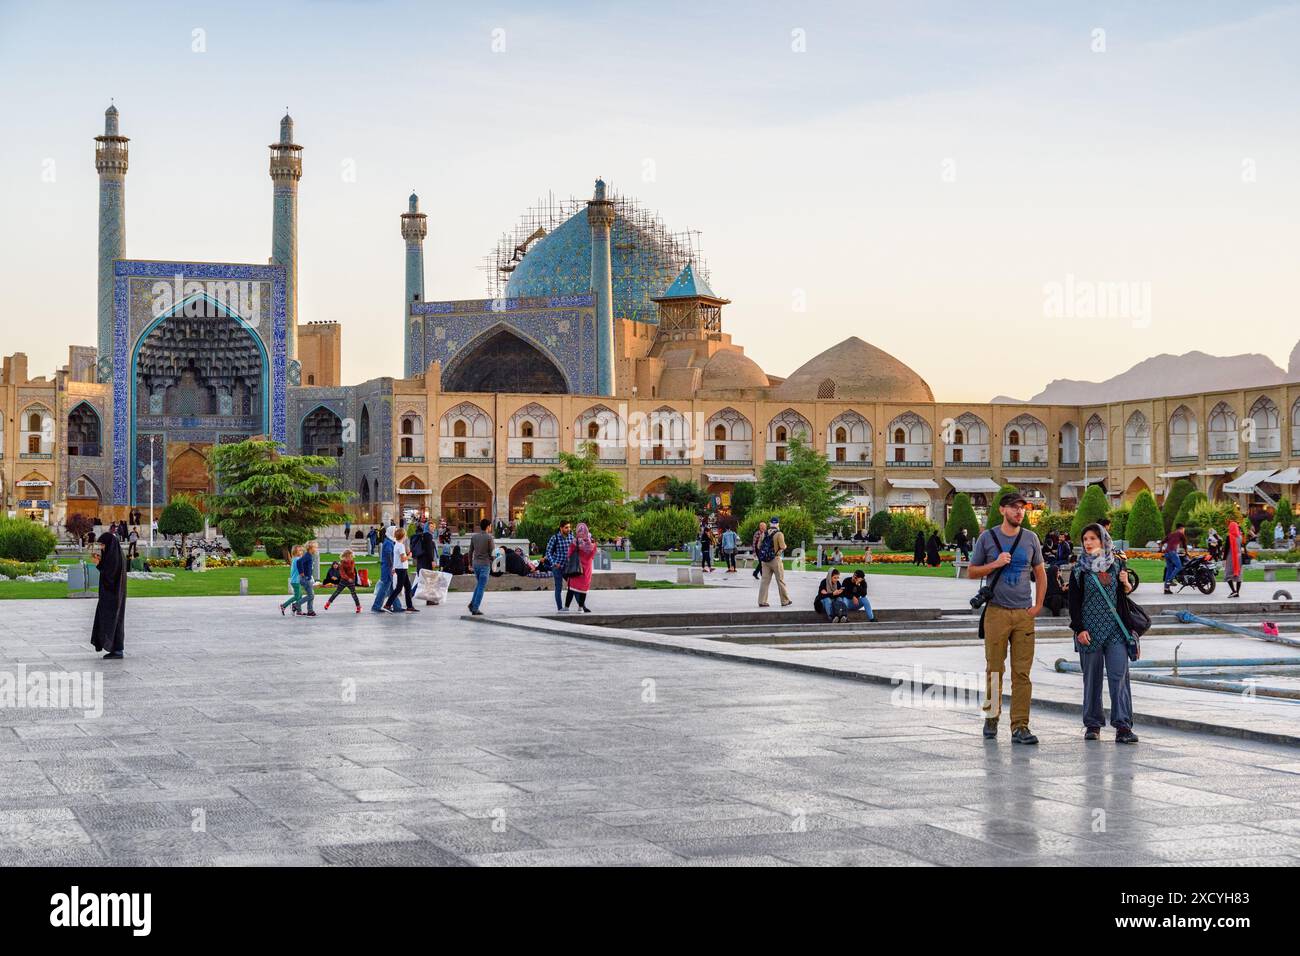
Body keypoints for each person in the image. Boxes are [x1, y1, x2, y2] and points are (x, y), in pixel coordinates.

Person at [969, 490, 1047, 745]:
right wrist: (995, 564)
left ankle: (1020, 726)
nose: (1019, 512)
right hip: (997, 612)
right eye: (1014, 507)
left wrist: (1038, 606)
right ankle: (992, 715)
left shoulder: (1030, 538)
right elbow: (971, 572)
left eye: (1022, 508)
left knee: (1022, 673)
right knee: (994, 668)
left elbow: (1040, 573)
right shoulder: (988, 538)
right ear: (1002, 510)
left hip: (1023, 613)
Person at [1069, 523, 1139, 744]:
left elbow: (1123, 597)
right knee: (1092, 680)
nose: (1088, 543)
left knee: (1119, 678)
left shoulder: (1117, 565)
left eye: (1092, 538)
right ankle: (1092, 724)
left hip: (1116, 631)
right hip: (1089, 631)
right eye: (1085, 539)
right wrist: (1079, 629)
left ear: (1103, 540)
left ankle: (1123, 726)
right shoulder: (1079, 569)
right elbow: (1073, 603)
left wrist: (1126, 584)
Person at [90, 531, 126, 659]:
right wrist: (100, 562)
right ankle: (114, 648)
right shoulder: (114, 555)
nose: (101, 548)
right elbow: (108, 571)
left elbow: (110, 577)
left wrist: (98, 564)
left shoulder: (115, 557)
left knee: (113, 620)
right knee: (109, 620)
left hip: (113, 596)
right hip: (111, 595)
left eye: (103, 545)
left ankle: (117, 649)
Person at [757, 516, 792, 608]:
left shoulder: (764, 533)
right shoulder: (779, 534)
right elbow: (783, 546)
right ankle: (785, 600)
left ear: (770, 524)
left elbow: (759, 546)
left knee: (764, 581)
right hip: (775, 560)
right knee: (780, 580)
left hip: (765, 561)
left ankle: (762, 601)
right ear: (778, 524)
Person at [564, 521, 598, 612]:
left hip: (576, 568)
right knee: (584, 589)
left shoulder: (575, 542)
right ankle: (580, 608)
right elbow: (593, 554)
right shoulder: (591, 543)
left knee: (571, 588)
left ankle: (566, 607)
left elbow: (569, 554)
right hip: (586, 569)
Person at [545, 520, 576, 613]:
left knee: (573, 585)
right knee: (558, 587)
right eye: (566, 527)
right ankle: (560, 608)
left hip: (568, 567)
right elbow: (548, 552)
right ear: (561, 528)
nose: (568, 529)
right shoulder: (555, 538)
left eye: (569, 527)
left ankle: (582, 606)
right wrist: (554, 563)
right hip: (557, 567)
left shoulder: (571, 537)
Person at [385, 528, 416, 612]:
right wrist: (409, 556)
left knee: (408, 587)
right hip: (402, 569)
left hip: (401, 568)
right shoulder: (401, 546)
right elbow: (402, 559)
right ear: (403, 536)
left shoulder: (396, 544)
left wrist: (394, 568)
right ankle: (387, 604)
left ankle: (409, 606)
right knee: (399, 588)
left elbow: (396, 558)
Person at [467, 518, 494, 616]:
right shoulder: (489, 538)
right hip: (484, 565)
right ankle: (475, 608)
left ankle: (472, 604)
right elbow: (492, 553)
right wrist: (493, 561)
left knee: (479, 585)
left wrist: (470, 564)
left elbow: (470, 552)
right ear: (487, 526)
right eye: (490, 526)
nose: (491, 528)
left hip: (476, 564)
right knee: (481, 587)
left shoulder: (474, 537)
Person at [371, 526, 397, 613]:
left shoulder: (390, 542)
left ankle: (397, 606)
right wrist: (392, 566)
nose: (396, 532)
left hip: (388, 568)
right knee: (384, 588)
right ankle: (376, 606)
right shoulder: (388, 543)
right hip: (387, 568)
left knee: (391, 589)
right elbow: (389, 555)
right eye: (395, 531)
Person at [1162, 523, 1187, 594]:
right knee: (1179, 567)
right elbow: (1184, 544)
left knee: (1169, 570)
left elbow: (1162, 542)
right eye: (1184, 529)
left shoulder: (1171, 534)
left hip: (1167, 553)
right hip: (1172, 552)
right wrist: (1186, 552)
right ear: (1182, 528)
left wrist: (1161, 549)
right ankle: (1170, 580)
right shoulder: (1181, 533)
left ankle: (1166, 589)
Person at [280, 544, 305, 616]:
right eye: (299, 550)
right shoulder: (297, 560)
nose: (301, 552)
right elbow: (301, 570)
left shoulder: (295, 559)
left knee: (299, 596)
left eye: (301, 550)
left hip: (296, 581)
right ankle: (284, 605)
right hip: (295, 581)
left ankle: (298, 611)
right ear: (295, 552)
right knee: (297, 596)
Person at [296, 541, 319, 616]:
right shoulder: (307, 555)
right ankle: (296, 605)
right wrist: (301, 572)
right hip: (305, 578)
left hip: (308, 578)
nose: (316, 549)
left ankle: (310, 611)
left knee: (311, 594)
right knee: (311, 595)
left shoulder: (309, 555)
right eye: (315, 547)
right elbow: (299, 562)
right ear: (310, 548)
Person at [1225, 519, 1243, 598]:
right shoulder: (1239, 537)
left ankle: (1233, 591)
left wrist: (1223, 559)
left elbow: (1226, 549)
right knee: (1238, 575)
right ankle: (1237, 592)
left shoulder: (1229, 537)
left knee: (1228, 574)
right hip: (1239, 558)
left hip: (1230, 557)